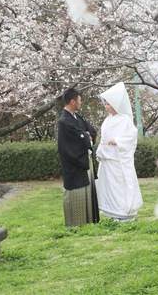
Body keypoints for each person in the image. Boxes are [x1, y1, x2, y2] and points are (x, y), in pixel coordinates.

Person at [96, 82, 143, 222]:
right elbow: (103, 138)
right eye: (105, 104)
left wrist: (118, 140)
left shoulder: (125, 120)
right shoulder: (107, 121)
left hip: (119, 160)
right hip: (108, 159)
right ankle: (114, 211)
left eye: (109, 104)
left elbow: (131, 136)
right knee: (110, 186)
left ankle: (124, 211)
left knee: (120, 185)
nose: (106, 107)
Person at [57, 87, 99, 227]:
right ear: (73, 101)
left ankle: (89, 220)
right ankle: (76, 223)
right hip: (73, 161)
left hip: (83, 159)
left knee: (88, 190)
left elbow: (91, 131)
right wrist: (85, 137)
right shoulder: (63, 121)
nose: (81, 102)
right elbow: (81, 138)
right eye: (79, 100)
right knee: (76, 191)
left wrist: (87, 137)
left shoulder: (77, 117)